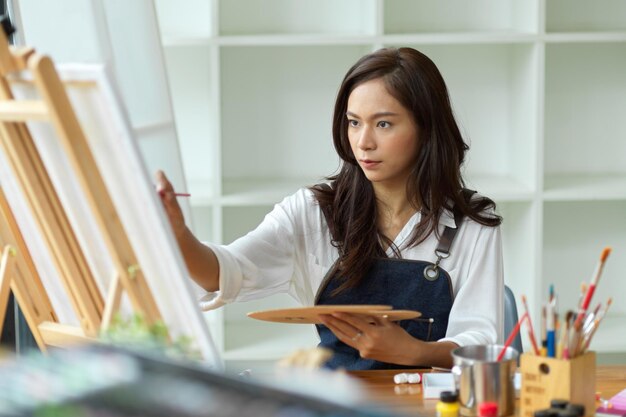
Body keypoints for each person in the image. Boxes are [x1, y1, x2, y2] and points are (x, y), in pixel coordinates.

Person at [157, 47, 504, 371]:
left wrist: (415, 352)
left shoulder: (473, 224)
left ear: (426, 129)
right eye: (354, 122)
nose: (363, 142)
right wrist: (179, 235)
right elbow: (226, 272)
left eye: (383, 124)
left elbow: (481, 342)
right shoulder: (312, 212)